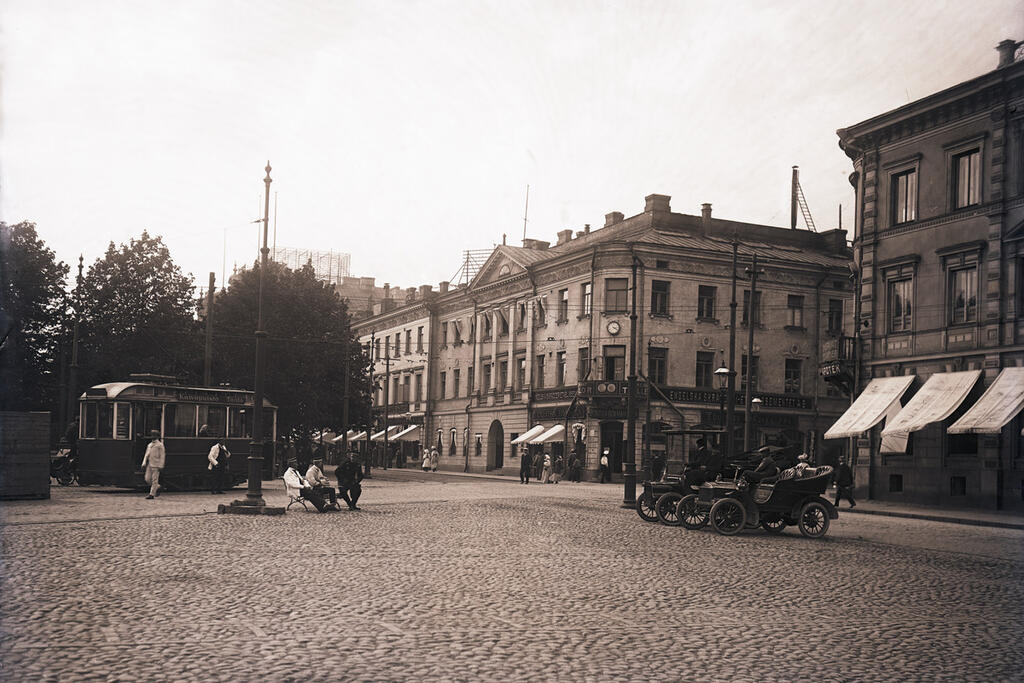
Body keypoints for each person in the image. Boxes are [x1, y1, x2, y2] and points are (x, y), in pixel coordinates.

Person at [141, 430, 165, 499]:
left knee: (155, 480)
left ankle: (152, 494)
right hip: (149, 464)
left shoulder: (160, 445)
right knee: (147, 479)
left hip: (156, 465)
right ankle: (158, 487)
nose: (152, 436)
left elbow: (162, 456)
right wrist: (144, 463)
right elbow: (146, 455)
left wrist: (161, 465)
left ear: (157, 436)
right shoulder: (149, 445)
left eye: (154, 435)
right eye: (152, 435)